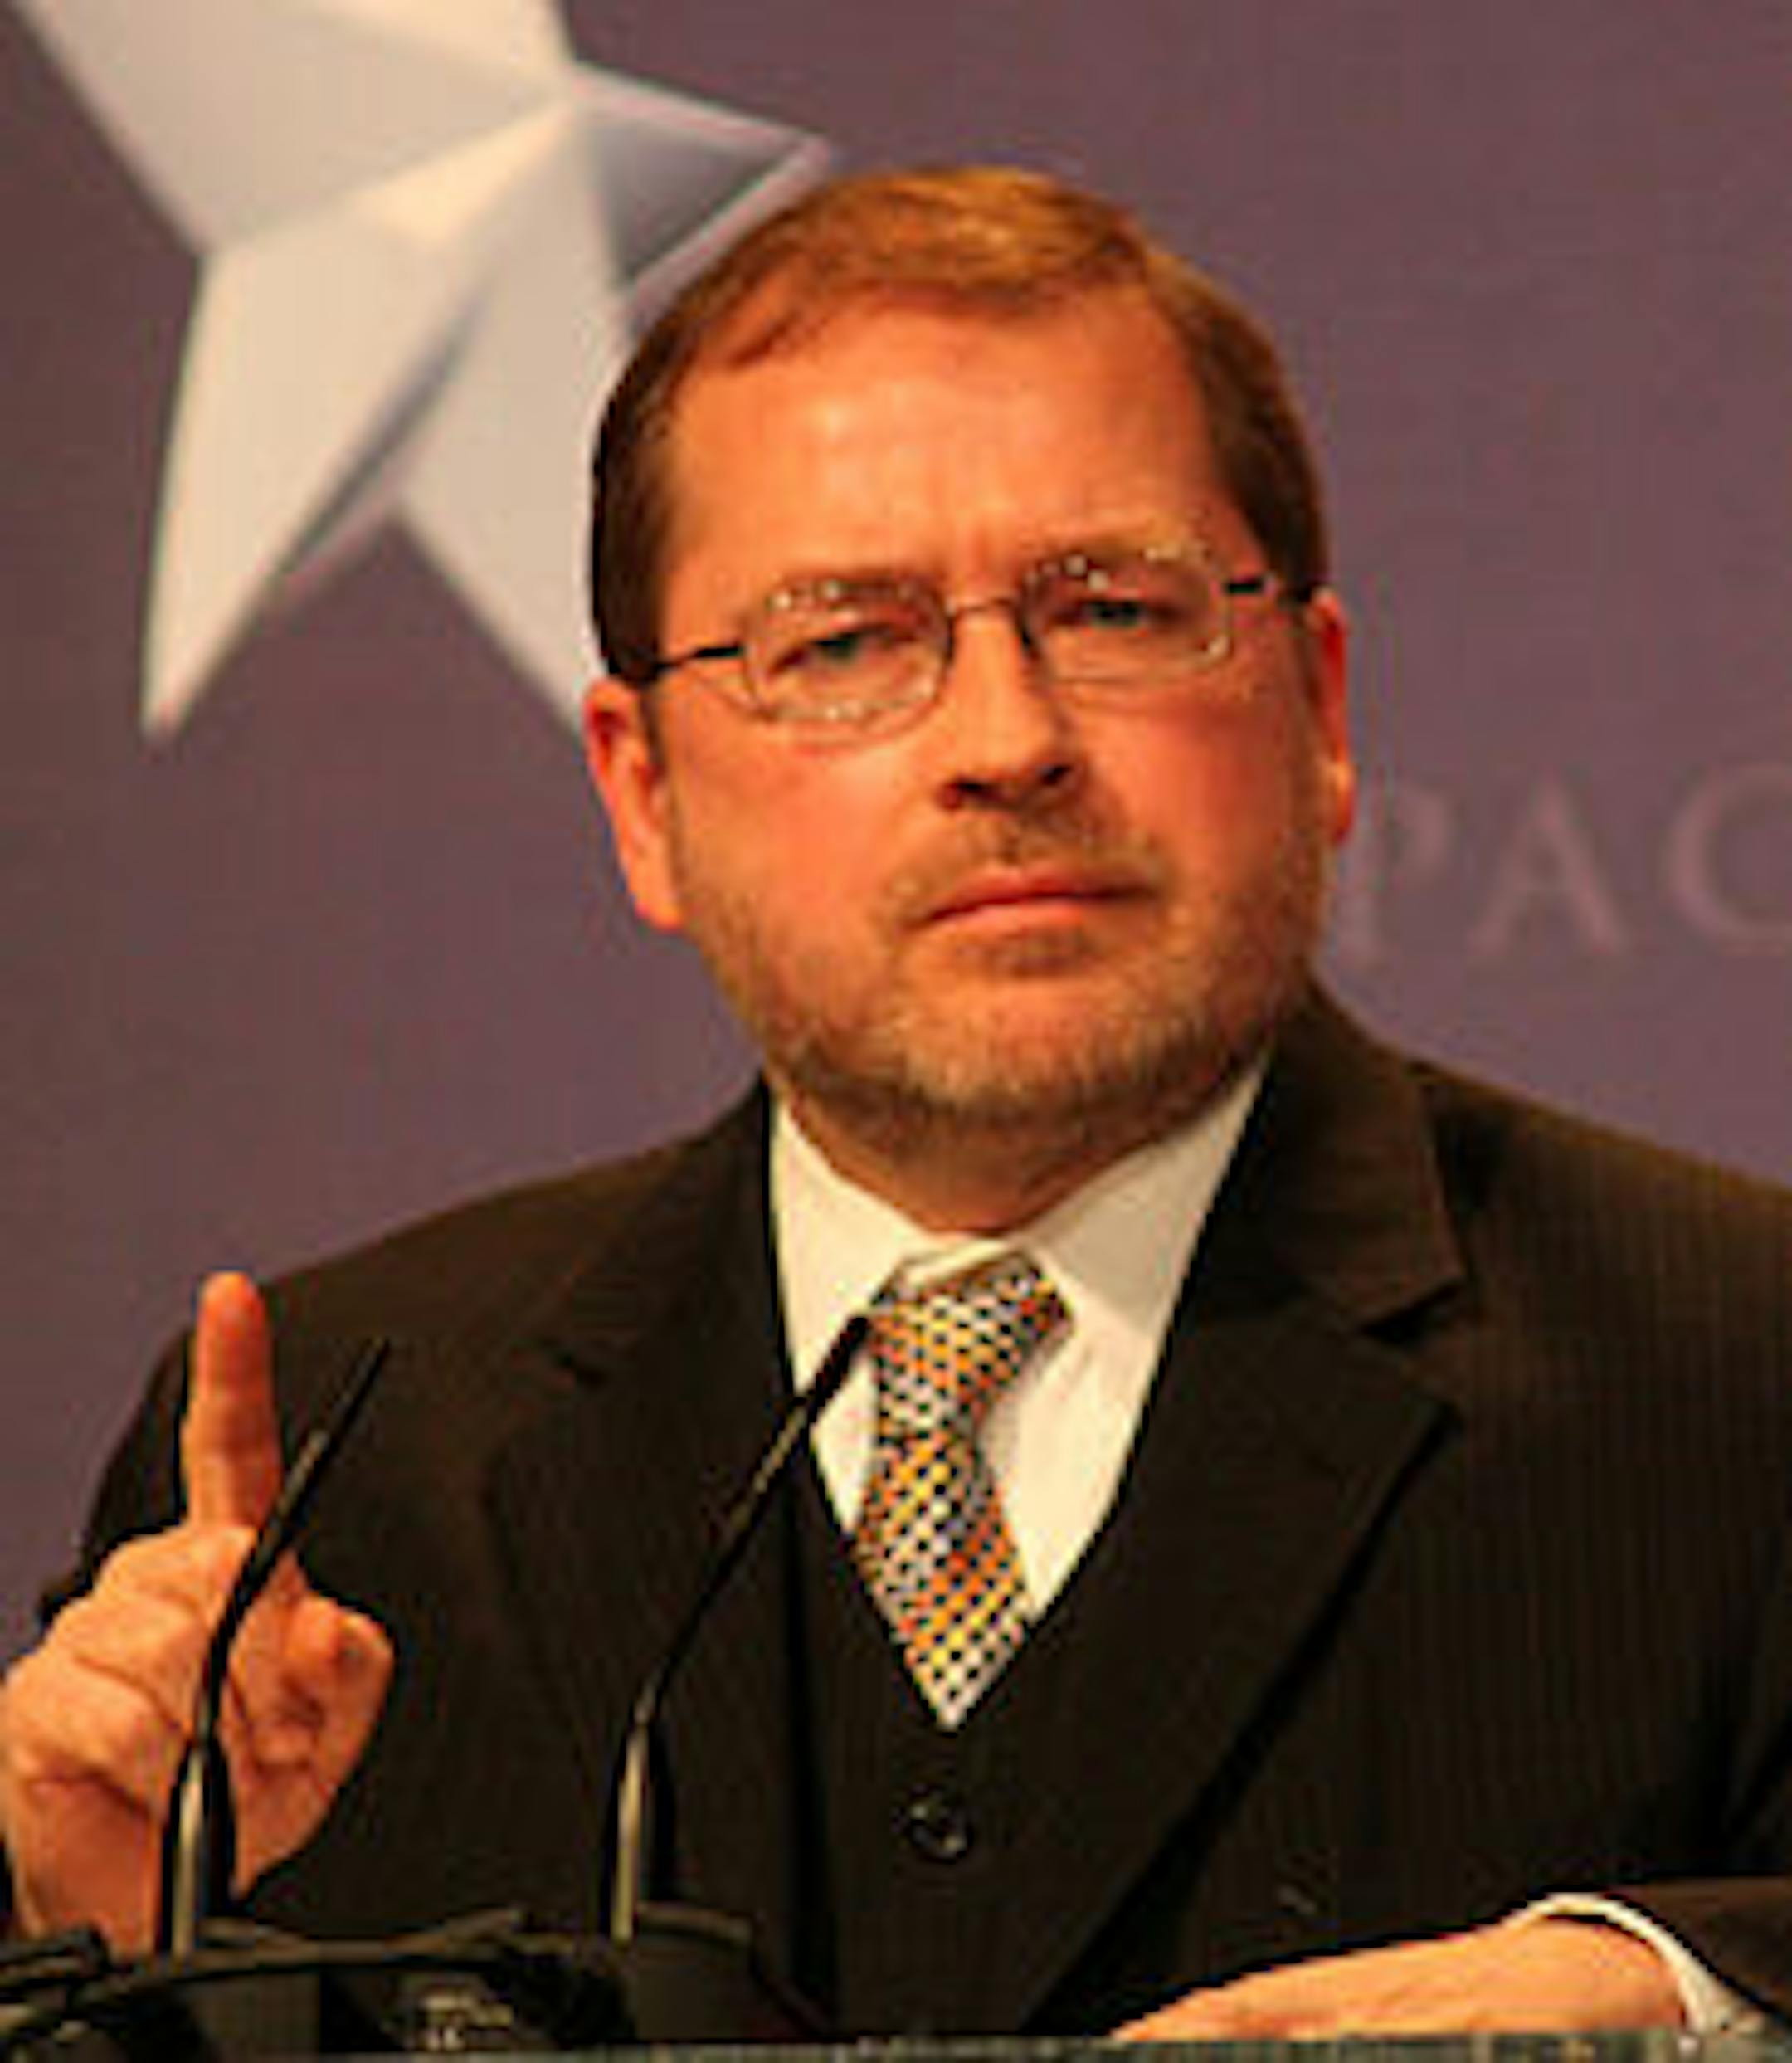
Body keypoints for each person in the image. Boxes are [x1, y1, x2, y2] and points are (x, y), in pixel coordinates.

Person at [3, 164, 1790, 2040]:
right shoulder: (346, 1466)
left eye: (1116, 608)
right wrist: (88, 1953)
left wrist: (1681, 2008)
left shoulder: (1742, 1378)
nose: (1007, 740)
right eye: (844, 644)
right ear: (642, 793)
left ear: (1321, 709)